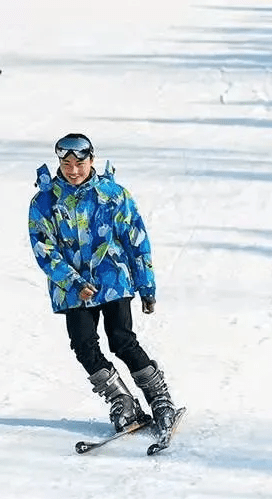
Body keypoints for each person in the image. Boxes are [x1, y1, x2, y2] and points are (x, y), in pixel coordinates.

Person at [27, 133, 178, 436]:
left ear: (91, 161)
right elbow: (44, 247)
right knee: (83, 345)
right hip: (72, 289)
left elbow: (136, 241)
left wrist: (146, 286)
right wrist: (72, 282)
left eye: (79, 163)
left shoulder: (113, 194)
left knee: (121, 339)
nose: (73, 170)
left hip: (113, 279)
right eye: (66, 163)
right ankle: (122, 401)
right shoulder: (45, 201)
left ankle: (160, 399)